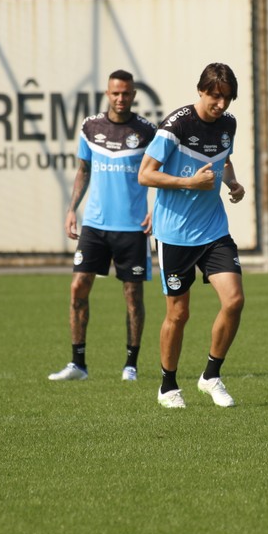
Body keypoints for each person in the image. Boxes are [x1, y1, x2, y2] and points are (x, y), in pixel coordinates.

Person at [137, 62, 246, 409]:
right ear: (201, 90)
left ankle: (211, 376)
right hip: (175, 235)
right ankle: (167, 386)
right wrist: (189, 182)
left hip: (213, 229)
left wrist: (231, 181)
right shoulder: (176, 125)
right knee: (178, 314)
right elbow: (145, 175)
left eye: (227, 98)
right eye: (215, 96)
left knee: (234, 300)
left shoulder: (228, 124)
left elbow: (223, 158)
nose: (221, 105)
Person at [48, 70, 157, 382]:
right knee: (78, 288)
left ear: (134, 94)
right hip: (95, 226)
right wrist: (72, 210)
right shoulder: (90, 126)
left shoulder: (147, 132)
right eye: (115, 93)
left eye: (126, 93)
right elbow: (84, 169)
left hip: (133, 228)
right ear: (107, 94)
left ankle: (131, 365)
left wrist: (156, 210)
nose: (120, 98)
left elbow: (161, 173)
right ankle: (78, 365)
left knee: (133, 297)